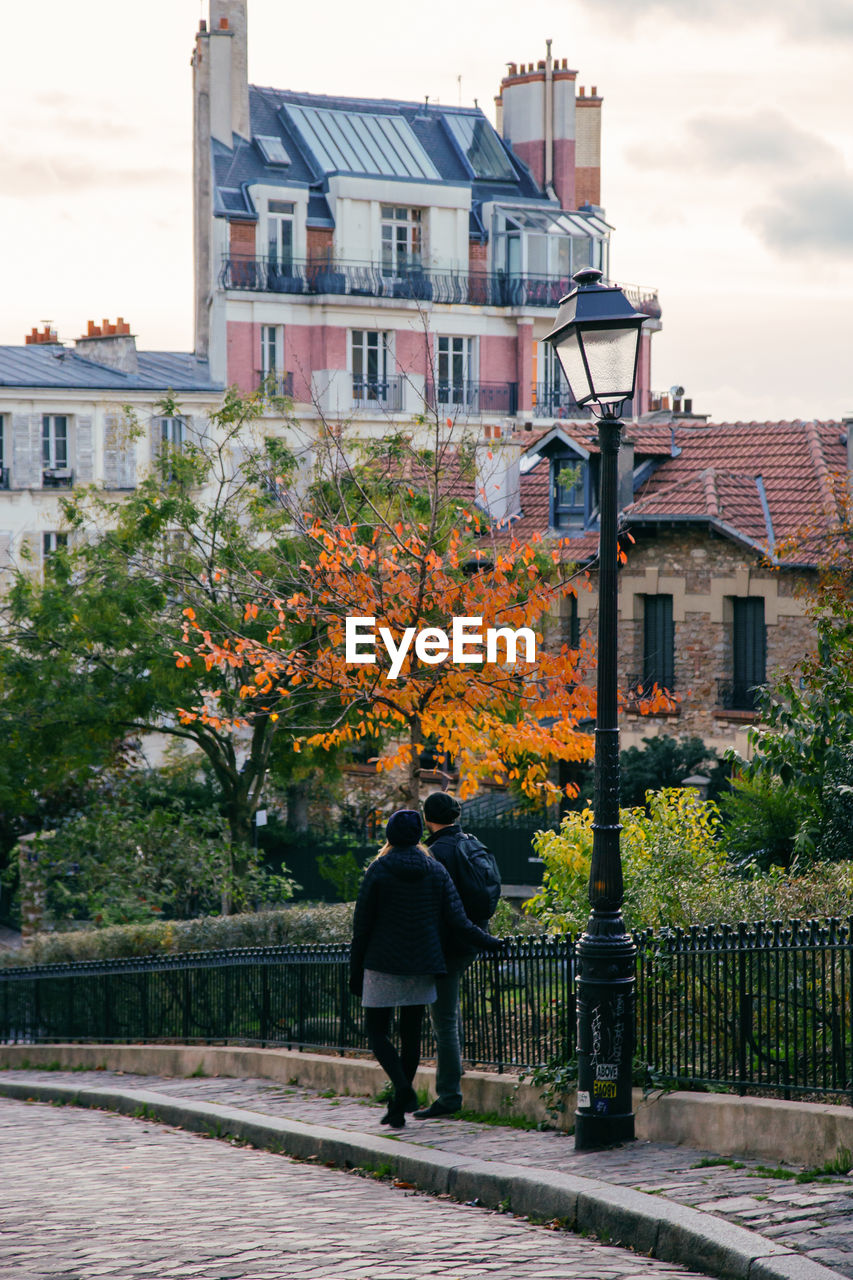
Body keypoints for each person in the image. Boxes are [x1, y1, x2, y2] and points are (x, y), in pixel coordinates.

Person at [349, 807, 503, 1129]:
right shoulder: (435, 870)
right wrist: (491, 942)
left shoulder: (378, 869)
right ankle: (396, 1110)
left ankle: (403, 1090)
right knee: (410, 1036)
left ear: (389, 835)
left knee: (377, 1033)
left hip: (383, 963)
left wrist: (355, 971)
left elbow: (361, 927)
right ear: (419, 835)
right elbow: (459, 921)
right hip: (422, 964)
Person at [414, 791, 483, 1120]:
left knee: (444, 1023)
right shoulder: (468, 843)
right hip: (470, 939)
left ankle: (449, 1095)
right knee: (448, 1019)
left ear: (428, 818)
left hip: (445, 947)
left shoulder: (434, 853)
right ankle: (451, 1083)